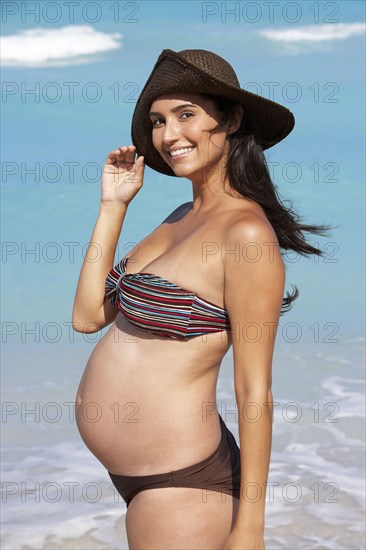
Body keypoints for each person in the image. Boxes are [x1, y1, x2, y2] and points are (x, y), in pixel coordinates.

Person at [72, 49, 332, 549]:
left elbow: (255, 393)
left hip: (184, 484)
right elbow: (87, 317)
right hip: (146, 479)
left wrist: (249, 529)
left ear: (230, 119)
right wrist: (112, 208)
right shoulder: (175, 218)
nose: (169, 135)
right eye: (157, 121)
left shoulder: (247, 234)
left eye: (186, 115)